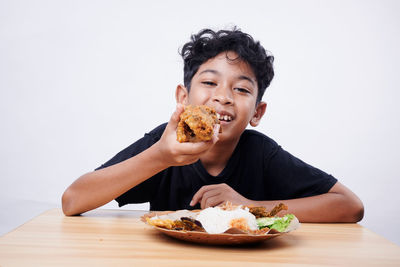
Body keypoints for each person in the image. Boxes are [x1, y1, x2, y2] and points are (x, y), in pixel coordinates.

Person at [62, 27, 364, 222]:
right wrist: (160, 157)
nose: (223, 97)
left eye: (242, 89)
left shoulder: (261, 153)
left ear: (257, 113)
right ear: (184, 97)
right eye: (209, 82)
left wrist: (249, 206)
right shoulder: (162, 144)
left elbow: (349, 205)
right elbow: (73, 200)